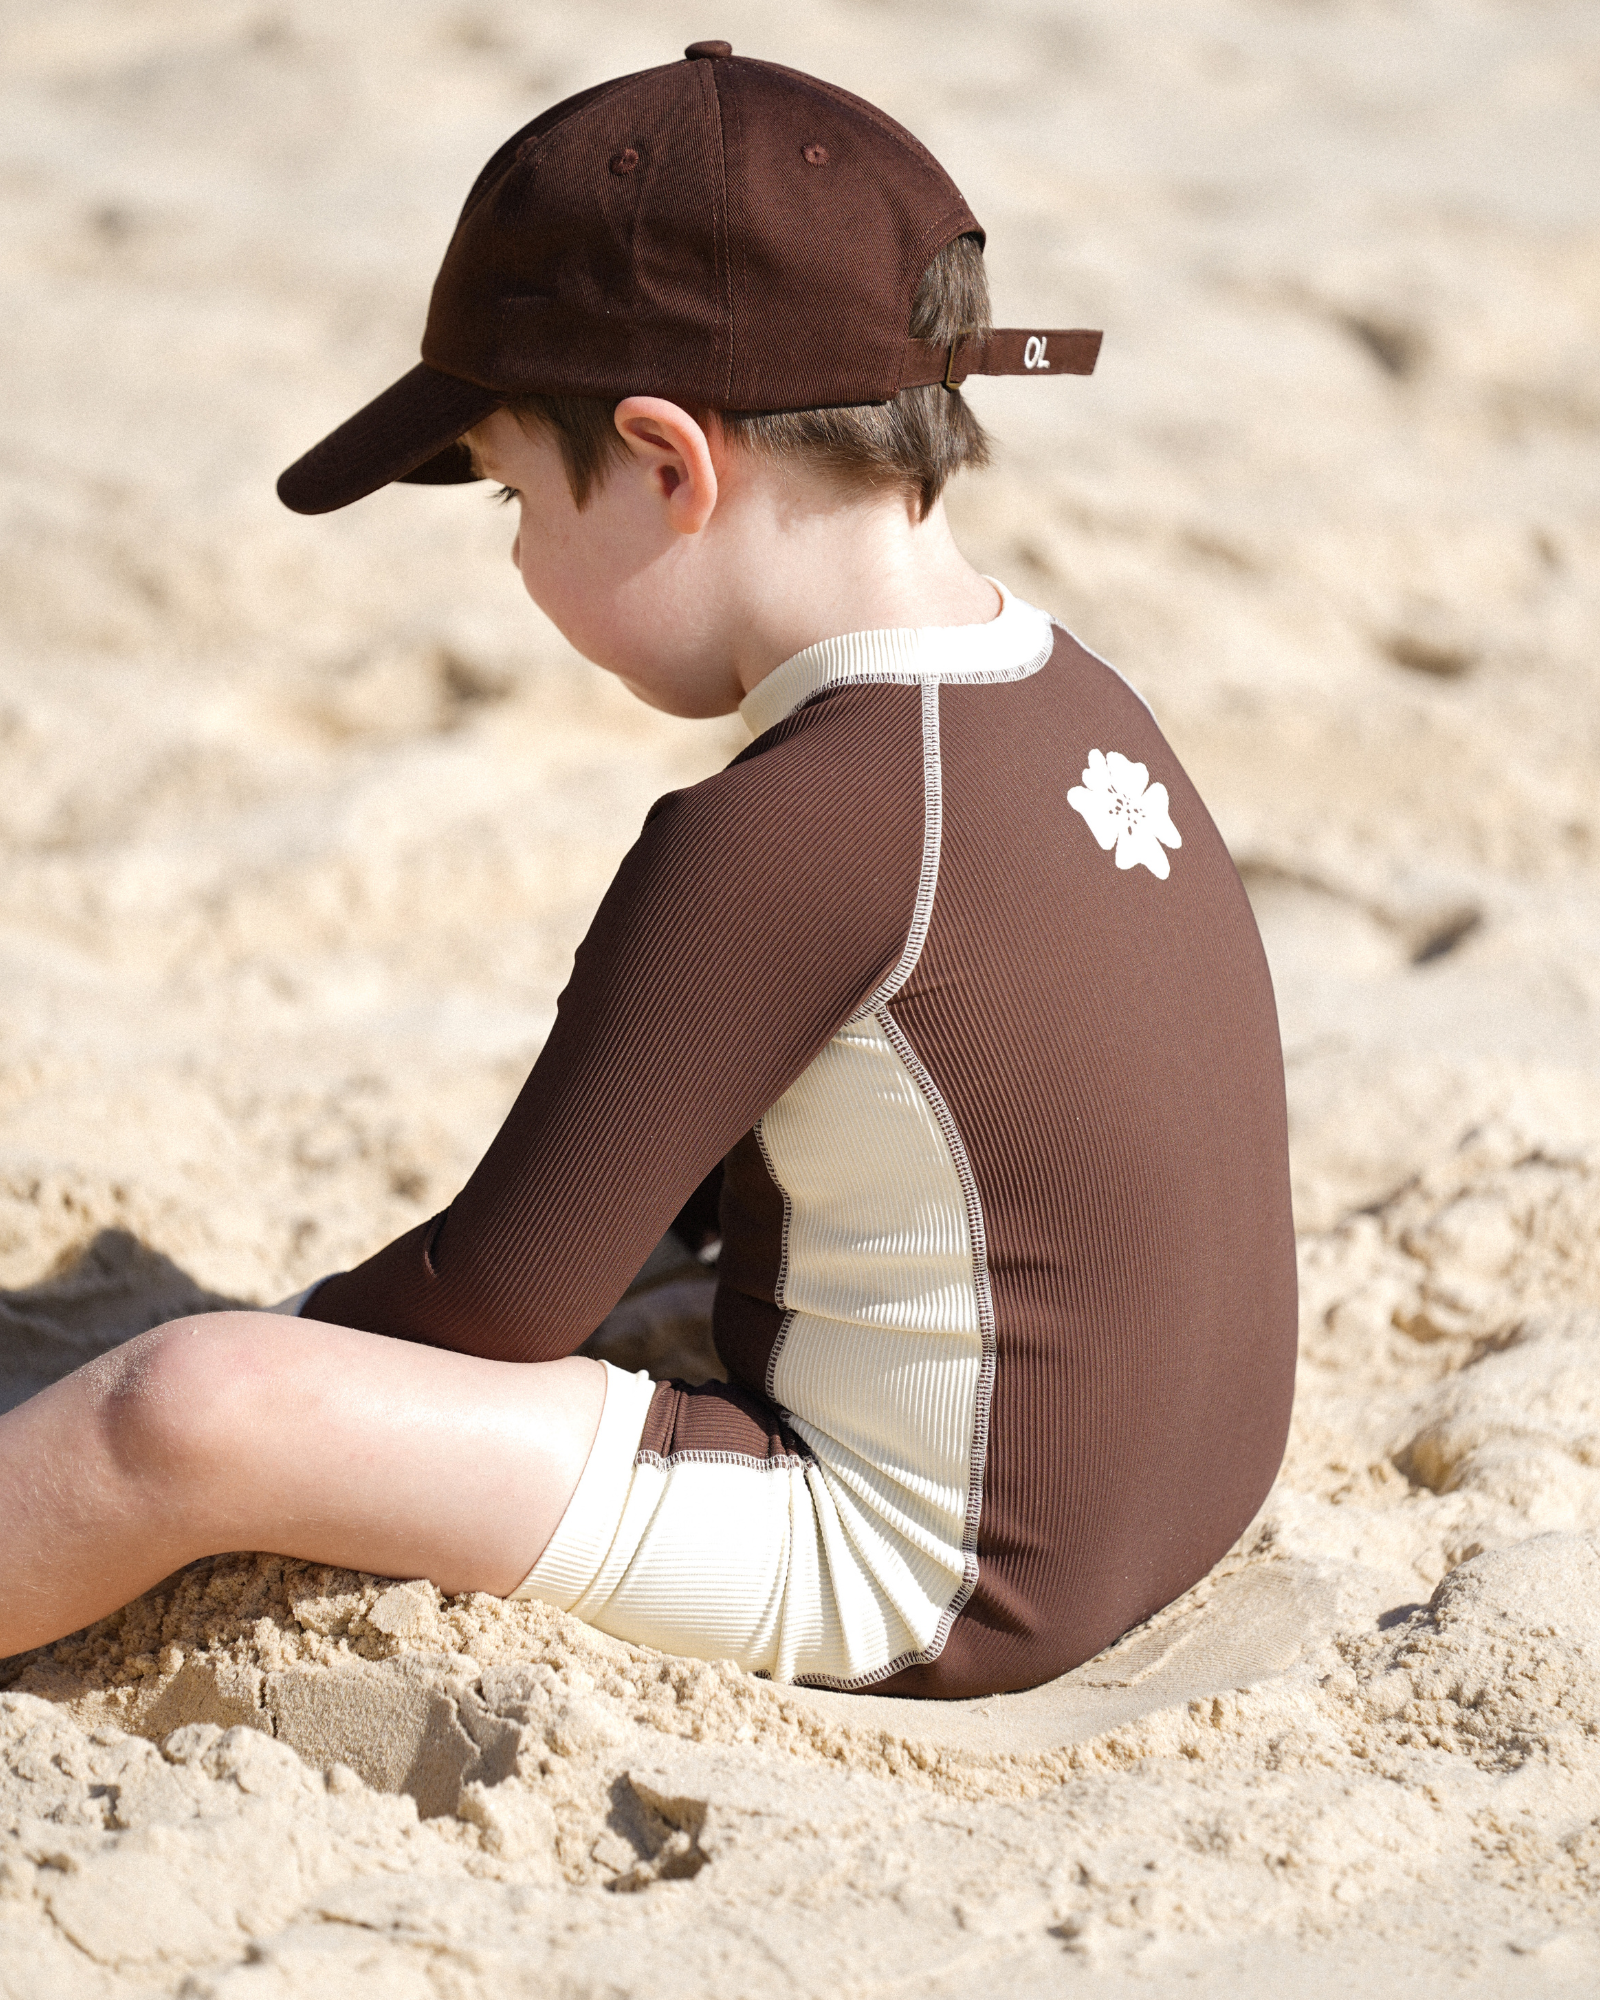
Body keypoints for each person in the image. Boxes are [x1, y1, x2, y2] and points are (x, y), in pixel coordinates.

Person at [0, 43, 1296, 1695]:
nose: (523, 558)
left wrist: (297, 1338)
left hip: (931, 1572)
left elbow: (499, 1302)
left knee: (179, 1408)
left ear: (671, 464)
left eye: (514, 500)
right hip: (1161, 1501)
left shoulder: (786, 826)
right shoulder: (1068, 691)